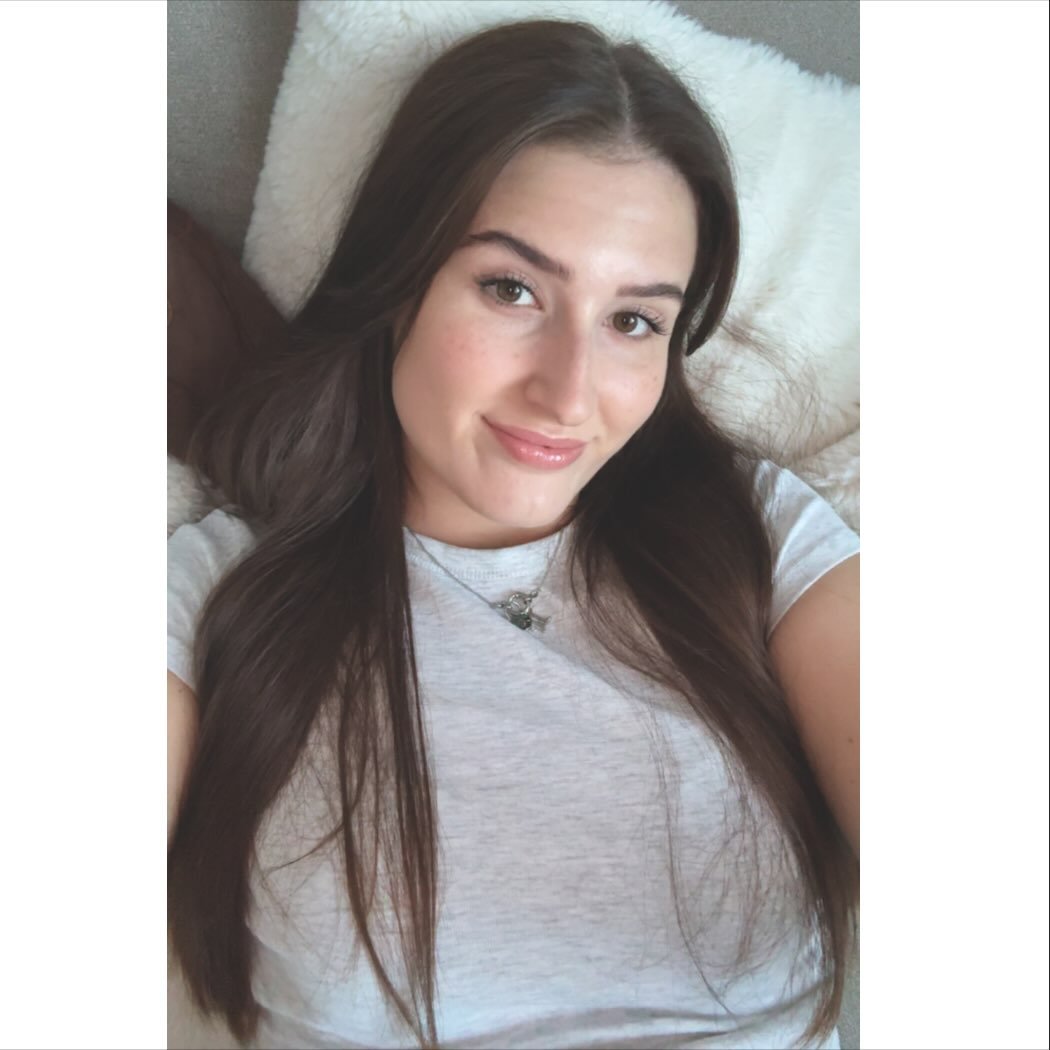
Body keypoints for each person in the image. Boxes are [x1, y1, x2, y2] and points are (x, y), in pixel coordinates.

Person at [168, 18, 859, 1050]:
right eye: (511, 289)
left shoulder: (760, 537)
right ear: (400, 279)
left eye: (633, 321)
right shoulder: (218, 587)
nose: (568, 393)